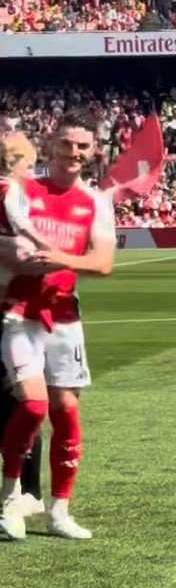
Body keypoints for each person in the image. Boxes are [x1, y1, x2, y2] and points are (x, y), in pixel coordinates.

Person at [0, 111, 116, 542]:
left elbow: (103, 263)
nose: (74, 152)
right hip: (19, 312)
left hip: (65, 317)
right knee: (32, 407)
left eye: (83, 145)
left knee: (66, 410)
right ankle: (11, 499)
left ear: (93, 150)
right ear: (52, 144)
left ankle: (59, 512)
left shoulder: (95, 202)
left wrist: (58, 259)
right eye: (67, 143)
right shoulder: (22, 189)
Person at [0, 131, 44, 517]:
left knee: (21, 400)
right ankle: (27, 490)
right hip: (14, 308)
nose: (31, 169)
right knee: (24, 400)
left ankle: (24, 490)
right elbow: (18, 224)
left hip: (12, 308)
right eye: (27, 162)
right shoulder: (10, 190)